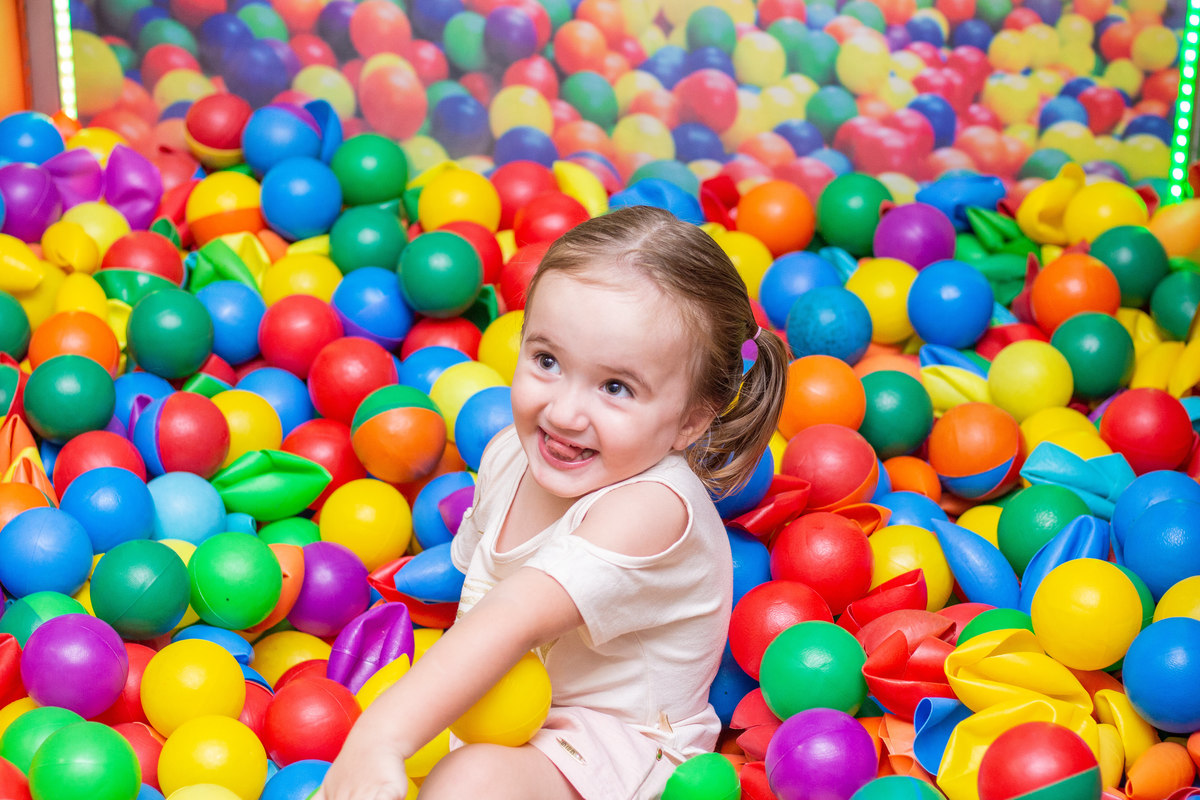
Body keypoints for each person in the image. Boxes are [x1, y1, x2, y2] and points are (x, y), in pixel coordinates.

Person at [313, 205, 788, 800]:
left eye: (616, 387)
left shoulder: (652, 508)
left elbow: (511, 616)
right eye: (546, 361)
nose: (563, 413)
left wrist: (380, 737)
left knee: (466, 780)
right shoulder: (509, 453)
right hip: (498, 715)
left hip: (617, 748)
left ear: (692, 419)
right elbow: (475, 605)